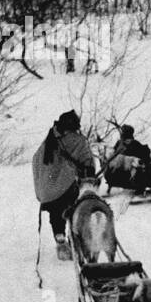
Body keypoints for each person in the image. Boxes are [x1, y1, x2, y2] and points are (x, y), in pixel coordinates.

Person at [32, 110, 97, 257]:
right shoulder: (78, 140)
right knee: (76, 208)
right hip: (67, 186)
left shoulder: (51, 138)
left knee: (56, 212)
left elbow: (36, 160)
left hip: (49, 188)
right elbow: (87, 161)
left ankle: (60, 239)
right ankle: (78, 239)